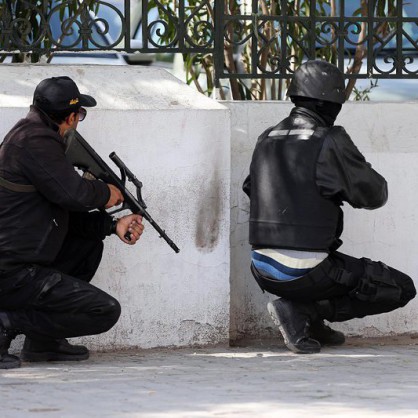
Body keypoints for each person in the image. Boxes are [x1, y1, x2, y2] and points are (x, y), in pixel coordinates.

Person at [243, 60, 416, 354]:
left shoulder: (267, 137)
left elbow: (251, 187)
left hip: (261, 267)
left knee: (332, 265)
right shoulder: (329, 139)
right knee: (399, 287)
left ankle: (307, 317)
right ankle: (303, 313)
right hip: (304, 269)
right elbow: (374, 194)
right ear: (332, 101)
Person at [0, 76, 144, 369]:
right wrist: (108, 193)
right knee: (104, 311)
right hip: (12, 271)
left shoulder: (33, 135)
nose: (79, 121)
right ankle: (6, 321)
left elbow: (63, 213)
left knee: (88, 244)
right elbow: (75, 194)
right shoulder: (36, 141)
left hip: (23, 263)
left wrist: (111, 227)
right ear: (70, 116)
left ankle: (43, 343)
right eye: (79, 115)